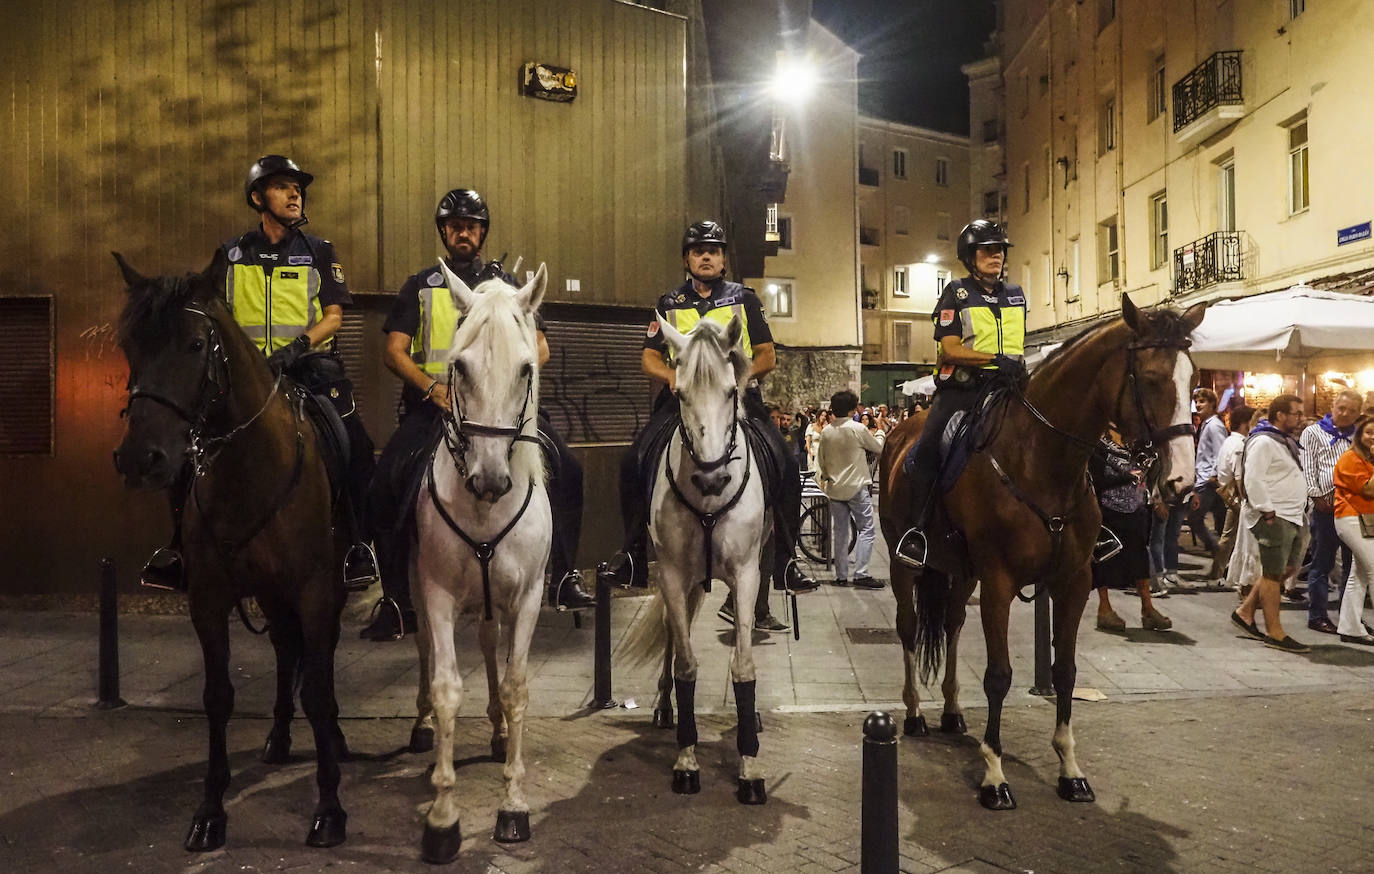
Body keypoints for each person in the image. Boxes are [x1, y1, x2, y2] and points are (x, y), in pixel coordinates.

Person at [361, 188, 593, 641]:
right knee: (384, 483)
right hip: (436, 408)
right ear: (444, 233)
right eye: (454, 225)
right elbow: (394, 350)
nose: (462, 232)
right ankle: (395, 600)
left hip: (501, 412)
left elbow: (540, 348)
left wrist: (505, 385)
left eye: (471, 225)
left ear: (482, 232)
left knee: (570, 470)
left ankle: (564, 575)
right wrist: (433, 388)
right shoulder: (422, 285)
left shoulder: (510, 287)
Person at [139, 155, 378, 592]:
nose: (294, 194)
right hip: (242, 376)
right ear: (257, 197)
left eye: (297, 188)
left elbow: (334, 317)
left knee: (355, 444)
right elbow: (214, 315)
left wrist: (296, 348)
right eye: (283, 187)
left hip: (308, 368)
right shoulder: (231, 254)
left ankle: (357, 544)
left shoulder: (318, 251)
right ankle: (177, 547)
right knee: (190, 444)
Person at [598, 220, 809, 627]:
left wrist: (738, 381)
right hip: (682, 403)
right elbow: (649, 357)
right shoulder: (668, 303)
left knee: (785, 461)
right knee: (634, 459)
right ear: (686, 259)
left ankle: (786, 560)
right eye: (698, 251)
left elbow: (766, 354)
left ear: (723, 259)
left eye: (713, 250)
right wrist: (673, 378)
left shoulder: (744, 299)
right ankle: (633, 554)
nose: (706, 256)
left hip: (739, 401)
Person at [894, 219, 1027, 567]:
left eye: (999, 250)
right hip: (963, 390)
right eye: (987, 250)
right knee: (928, 450)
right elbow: (950, 349)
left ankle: (1087, 525)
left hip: (1009, 387)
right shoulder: (956, 292)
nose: (995, 255)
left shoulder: (1016, 294)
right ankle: (918, 532)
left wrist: (1015, 365)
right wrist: (994, 359)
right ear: (970, 256)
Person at [1229, 395, 1311, 653]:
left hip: (1292, 514)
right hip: (1276, 515)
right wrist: (1267, 511)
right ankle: (1275, 632)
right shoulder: (1264, 441)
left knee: (1287, 568)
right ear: (1280, 415)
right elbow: (1253, 478)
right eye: (1296, 413)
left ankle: (1244, 612)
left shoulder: (1282, 441)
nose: (1300, 419)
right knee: (1273, 574)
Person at [1090, 426, 1171, 632]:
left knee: (1140, 559)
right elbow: (1097, 481)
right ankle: (1104, 609)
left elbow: (1149, 472)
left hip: (1135, 508)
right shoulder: (1099, 446)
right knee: (1104, 560)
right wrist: (1125, 477)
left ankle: (1147, 607)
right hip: (1108, 509)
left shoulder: (1136, 445)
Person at [1298, 389, 1361, 634]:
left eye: (1351, 410)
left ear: (1358, 413)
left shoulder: (1360, 436)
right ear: (1333, 406)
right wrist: (1316, 495)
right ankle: (1318, 615)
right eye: (1341, 408)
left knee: (1353, 565)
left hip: (1355, 509)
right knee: (1322, 563)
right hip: (1326, 508)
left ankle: (1349, 617)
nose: (1345, 414)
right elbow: (1307, 467)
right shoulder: (1313, 433)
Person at [815, 389, 887, 588]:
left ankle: (841, 575)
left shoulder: (827, 431)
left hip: (835, 488)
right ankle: (861, 573)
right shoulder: (857, 428)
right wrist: (880, 432)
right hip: (856, 486)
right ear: (852, 408)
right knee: (866, 529)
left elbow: (820, 459)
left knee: (840, 533)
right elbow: (878, 447)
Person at [1333, 416, 1374, 644]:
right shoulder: (1351, 458)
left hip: (1366, 519)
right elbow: (1368, 490)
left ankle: (1350, 627)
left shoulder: (1369, 460)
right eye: (1369, 432)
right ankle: (1351, 627)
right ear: (1359, 435)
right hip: (1350, 518)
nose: (1373, 437)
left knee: (1359, 574)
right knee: (1373, 569)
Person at [1211, 404, 1256, 581]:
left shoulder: (1229, 440)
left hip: (1226, 494)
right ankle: (1218, 573)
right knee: (1230, 536)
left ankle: (1222, 571)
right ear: (1246, 423)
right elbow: (1239, 476)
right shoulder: (1239, 444)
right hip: (1235, 498)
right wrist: (1244, 499)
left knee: (1230, 536)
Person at [1187, 388, 1227, 559]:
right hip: (1205, 478)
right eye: (1196, 401)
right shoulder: (1207, 424)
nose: (1198, 405)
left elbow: (1221, 452)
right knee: (1219, 520)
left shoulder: (1215, 426)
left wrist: (1214, 475)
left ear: (1212, 404)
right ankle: (1220, 552)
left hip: (1208, 481)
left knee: (1195, 518)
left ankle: (1217, 550)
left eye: (1202, 401)